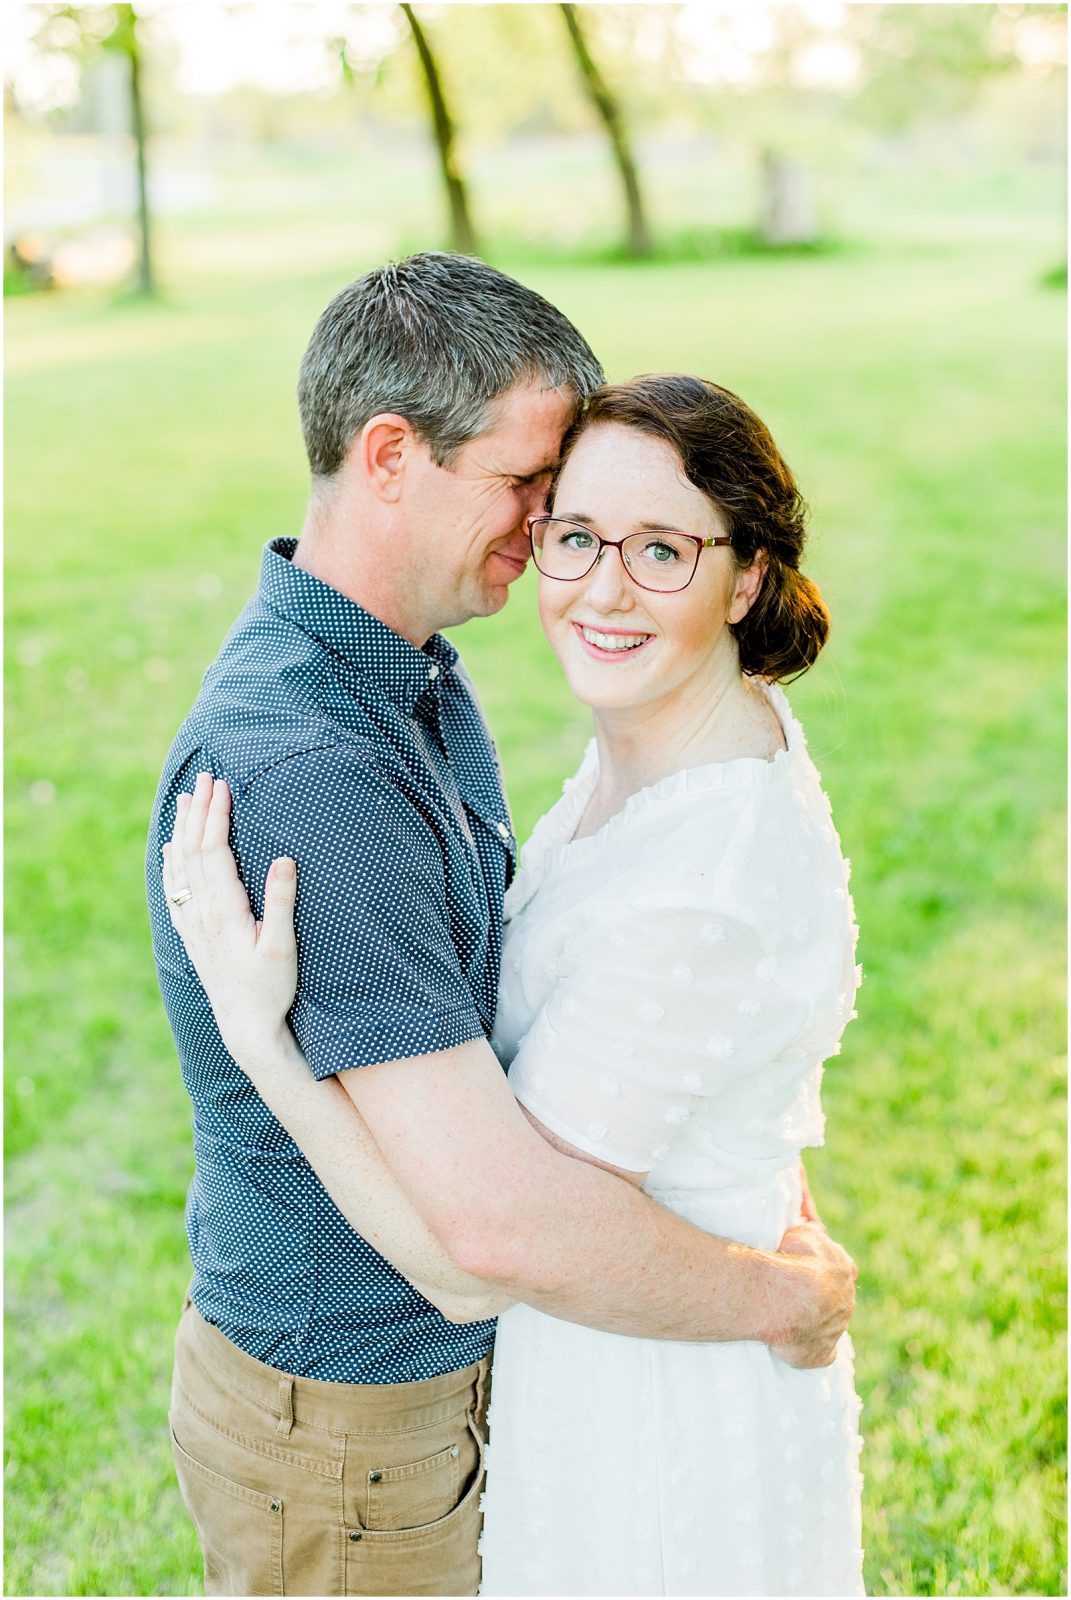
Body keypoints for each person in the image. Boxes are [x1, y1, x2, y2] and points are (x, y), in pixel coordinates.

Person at [148, 255, 858, 1599]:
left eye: (610, 525)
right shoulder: (316, 768)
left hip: (521, 1384)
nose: (550, 543)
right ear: (393, 455)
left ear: (744, 579)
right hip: (359, 1410)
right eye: (536, 494)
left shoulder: (414, 675)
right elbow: (489, 1239)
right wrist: (786, 1292)